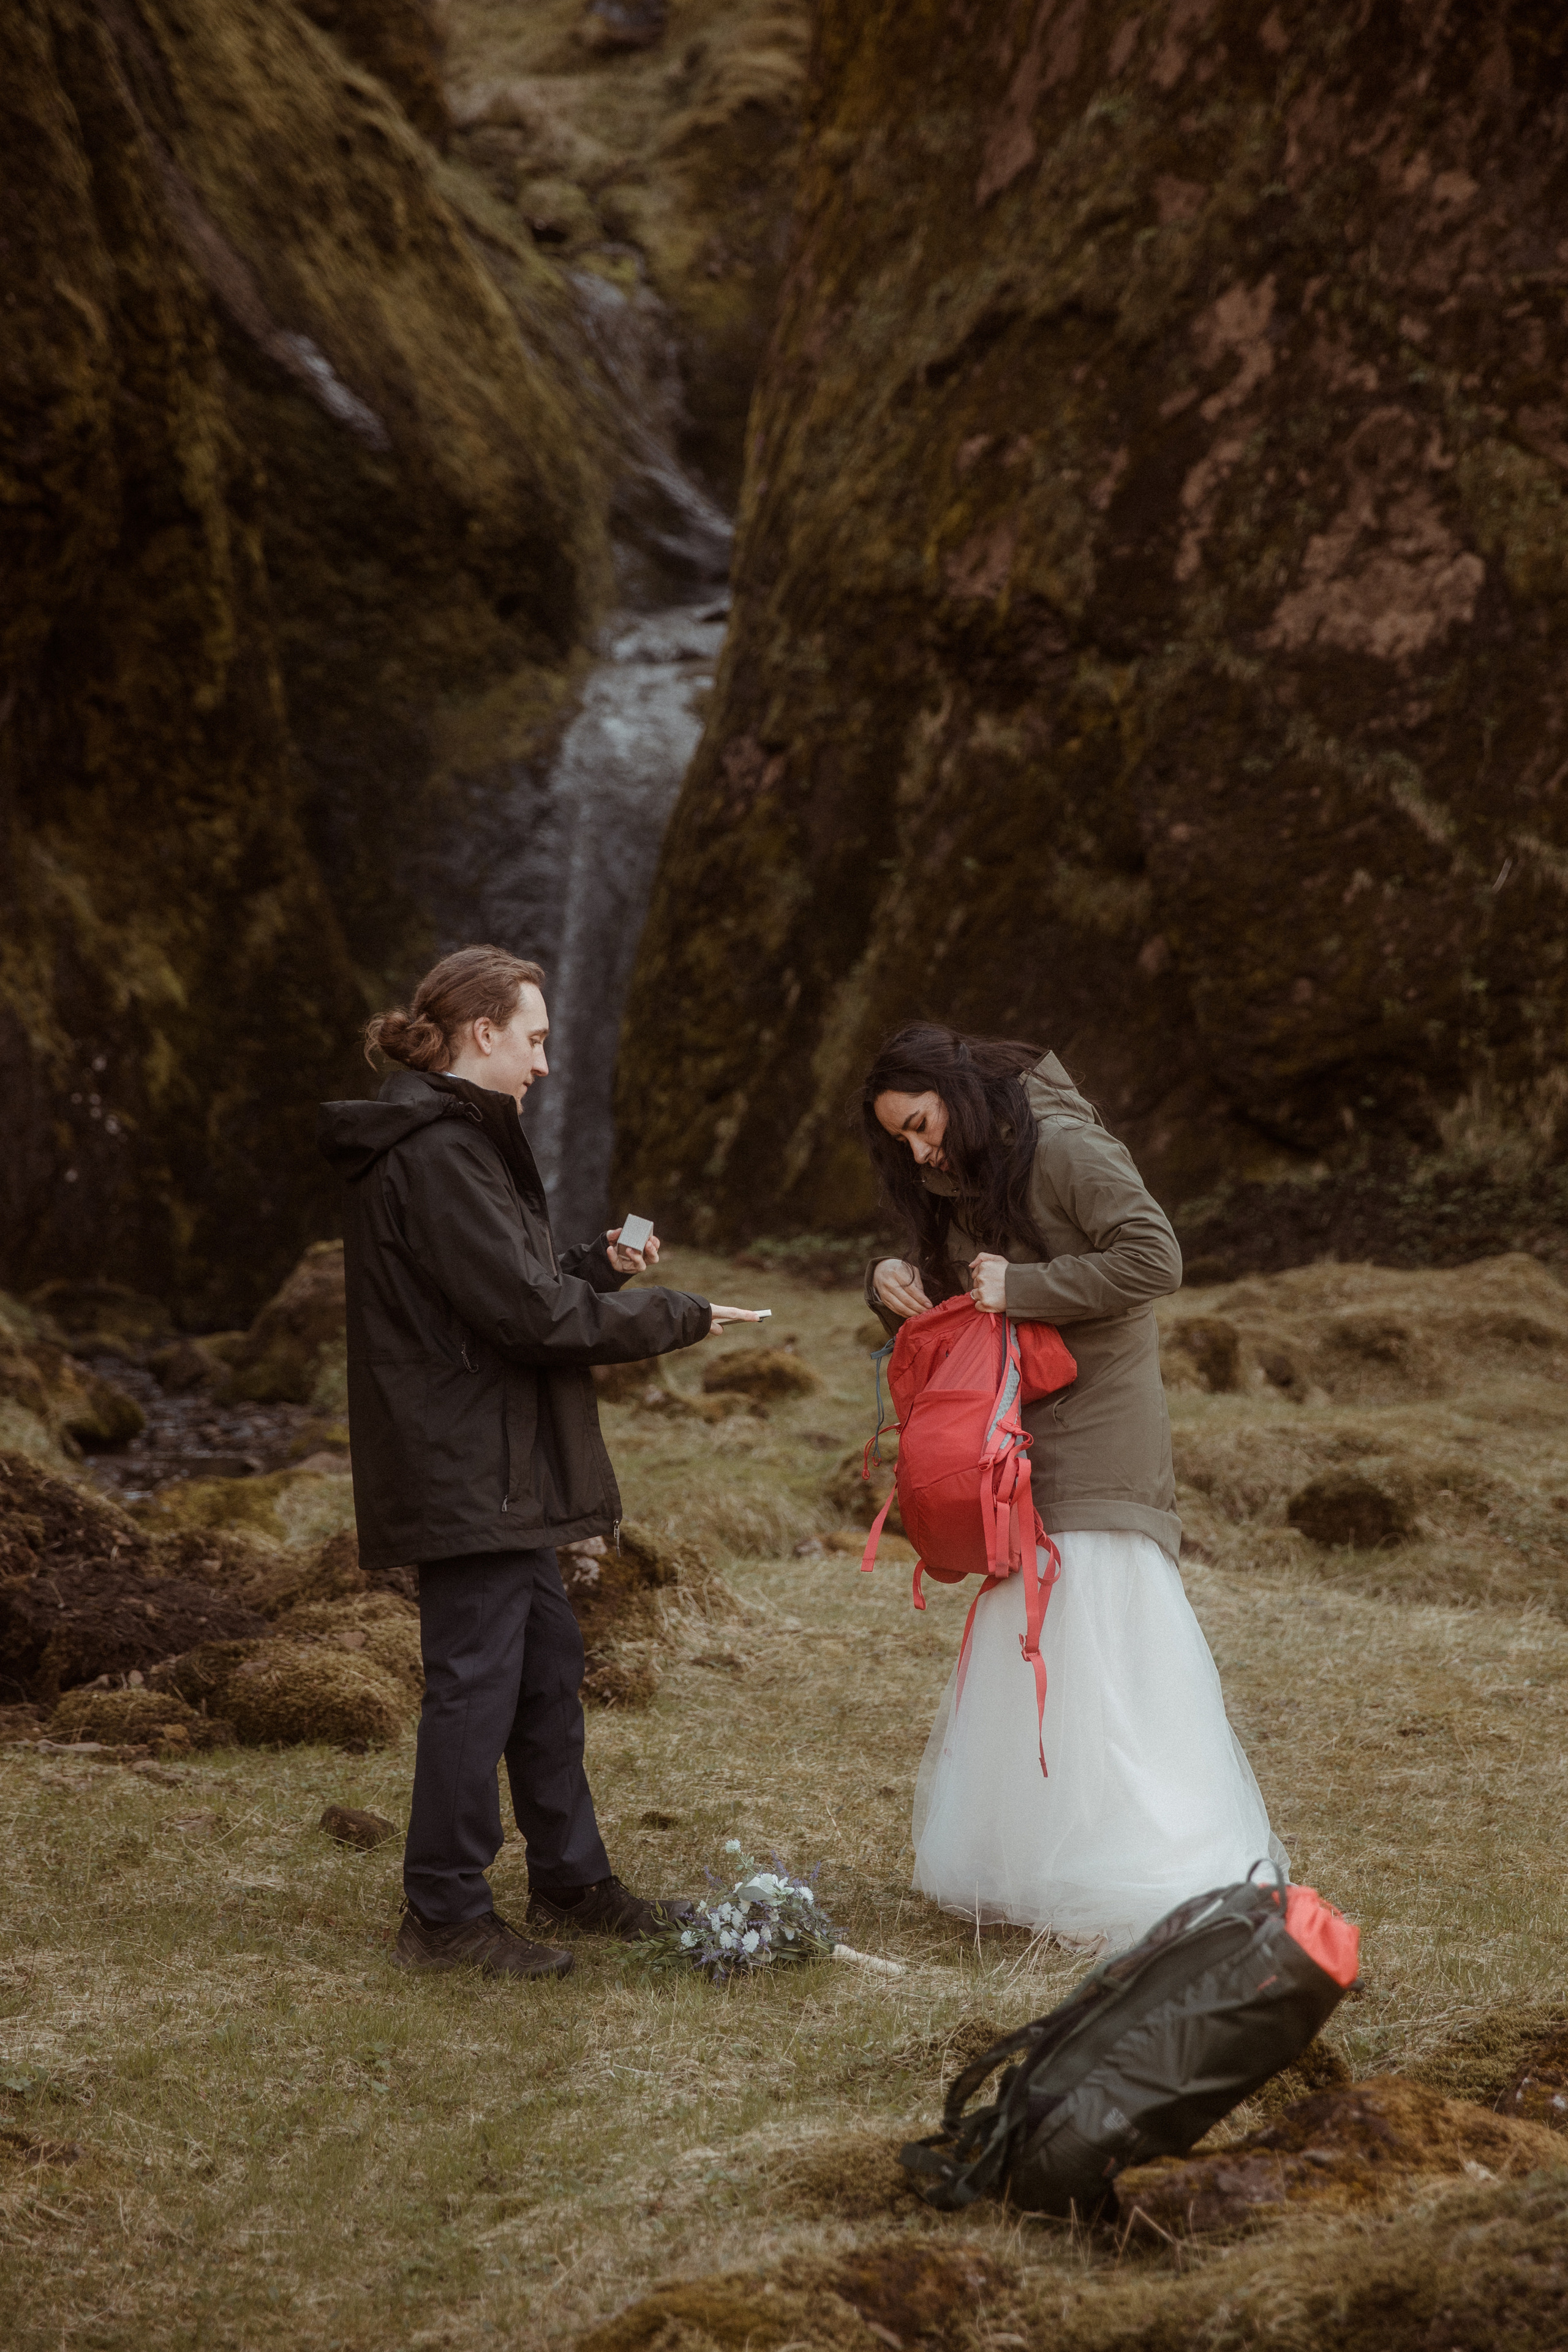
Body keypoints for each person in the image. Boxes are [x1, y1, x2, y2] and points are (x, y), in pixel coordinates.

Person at [318, 945, 761, 1981]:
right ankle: (443, 1914)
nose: (546, 1063)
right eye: (535, 1039)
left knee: (546, 1670)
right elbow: (526, 1317)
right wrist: (679, 1315)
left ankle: (571, 1880)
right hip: (466, 1458)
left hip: (492, 1455)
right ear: (483, 1034)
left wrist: (595, 1266)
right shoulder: (440, 1152)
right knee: (474, 1684)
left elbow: (509, 1288)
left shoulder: (459, 1142)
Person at [862, 1023, 1285, 1950]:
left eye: (922, 1126)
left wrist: (1026, 1288)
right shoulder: (965, 1170)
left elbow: (1155, 1259)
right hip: (1013, 1425)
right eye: (902, 1141)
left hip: (1098, 1418)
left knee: (1095, 1621)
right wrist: (890, 1276)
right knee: (1029, 1630)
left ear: (957, 1094)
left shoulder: (1063, 1145)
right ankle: (1034, 1866)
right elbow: (966, 1285)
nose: (919, 1152)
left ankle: (1142, 1860)